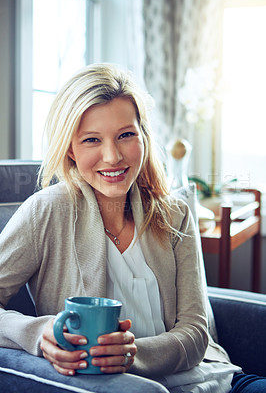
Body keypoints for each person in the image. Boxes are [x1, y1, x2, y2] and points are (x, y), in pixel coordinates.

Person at [0, 63, 265, 393]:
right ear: (70, 148)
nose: (112, 157)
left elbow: (197, 331)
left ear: (144, 137)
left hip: (218, 381)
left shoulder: (175, 214)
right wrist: (37, 334)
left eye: (126, 135)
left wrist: (133, 353)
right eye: (91, 139)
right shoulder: (48, 211)